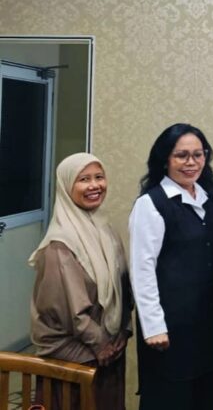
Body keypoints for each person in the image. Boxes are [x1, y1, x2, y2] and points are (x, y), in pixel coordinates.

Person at [129, 123, 213, 410]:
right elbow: (142, 270)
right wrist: (153, 327)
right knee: (169, 397)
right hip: (168, 327)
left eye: (198, 154)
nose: (191, 162)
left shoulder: (210, 201)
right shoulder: (152, 204)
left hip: (206, 322)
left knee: (203, 396)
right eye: (181, 155)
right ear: (165, 159)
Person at [29, 153, 131, 410]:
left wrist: (124, 330)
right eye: (83, 179)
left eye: (99, 177)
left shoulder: (105, 229)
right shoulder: (60, 244)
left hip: (108, 350)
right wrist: (102, 343)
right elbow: (70, 312)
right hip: (74, 357)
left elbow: (123, 285)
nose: (94, 185)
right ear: (66, 186)